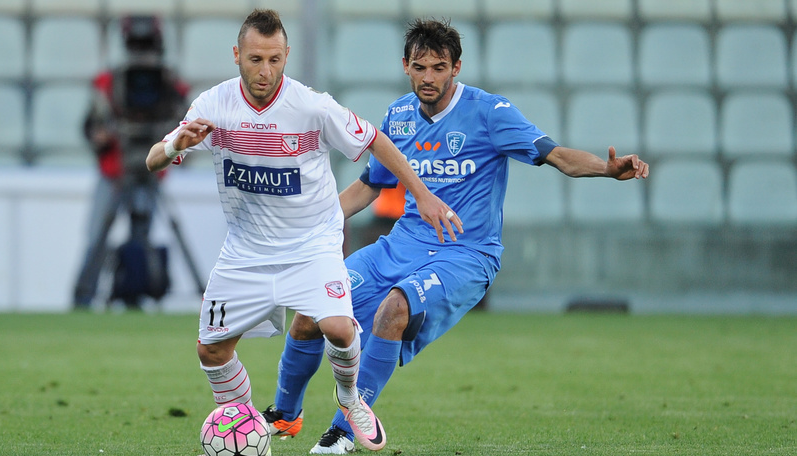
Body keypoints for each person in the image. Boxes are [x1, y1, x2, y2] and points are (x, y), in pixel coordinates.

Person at [269, 18, 650, 454]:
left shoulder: (490, 113)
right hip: (402, 244)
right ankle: (284, 413)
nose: (428, 77)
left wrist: (605, 168)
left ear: (456, 68)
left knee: (395, 309)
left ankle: (342, 431)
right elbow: (371, 185)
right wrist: (315, 222)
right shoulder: (399, 116)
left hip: (466, 254)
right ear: (406, 66)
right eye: (420, 67)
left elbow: (557, 156)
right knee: (312, 307)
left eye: (439, 67)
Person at [144, 10, 461, 453]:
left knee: (339, 329)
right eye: (255, 59)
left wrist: (422, 194)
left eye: (275, 59)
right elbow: (153, 160)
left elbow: (375, 140)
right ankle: (244, 426)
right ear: (237, 55)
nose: (265, 70)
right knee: (210, 352)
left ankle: (350, 400)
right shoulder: (213, 104)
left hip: (312, 243)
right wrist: (177, 143)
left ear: (287, 55)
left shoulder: (312, 106)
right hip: (245, 251)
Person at [73, 15, 189, 310]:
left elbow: (183, 121)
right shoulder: (109, 82)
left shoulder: (169, 83)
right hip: (115, 171)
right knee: (97, 236)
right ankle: (83, 298)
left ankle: (133, 294)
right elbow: (89, 125)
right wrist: (100, 134)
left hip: (150, 169)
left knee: (142, 235)